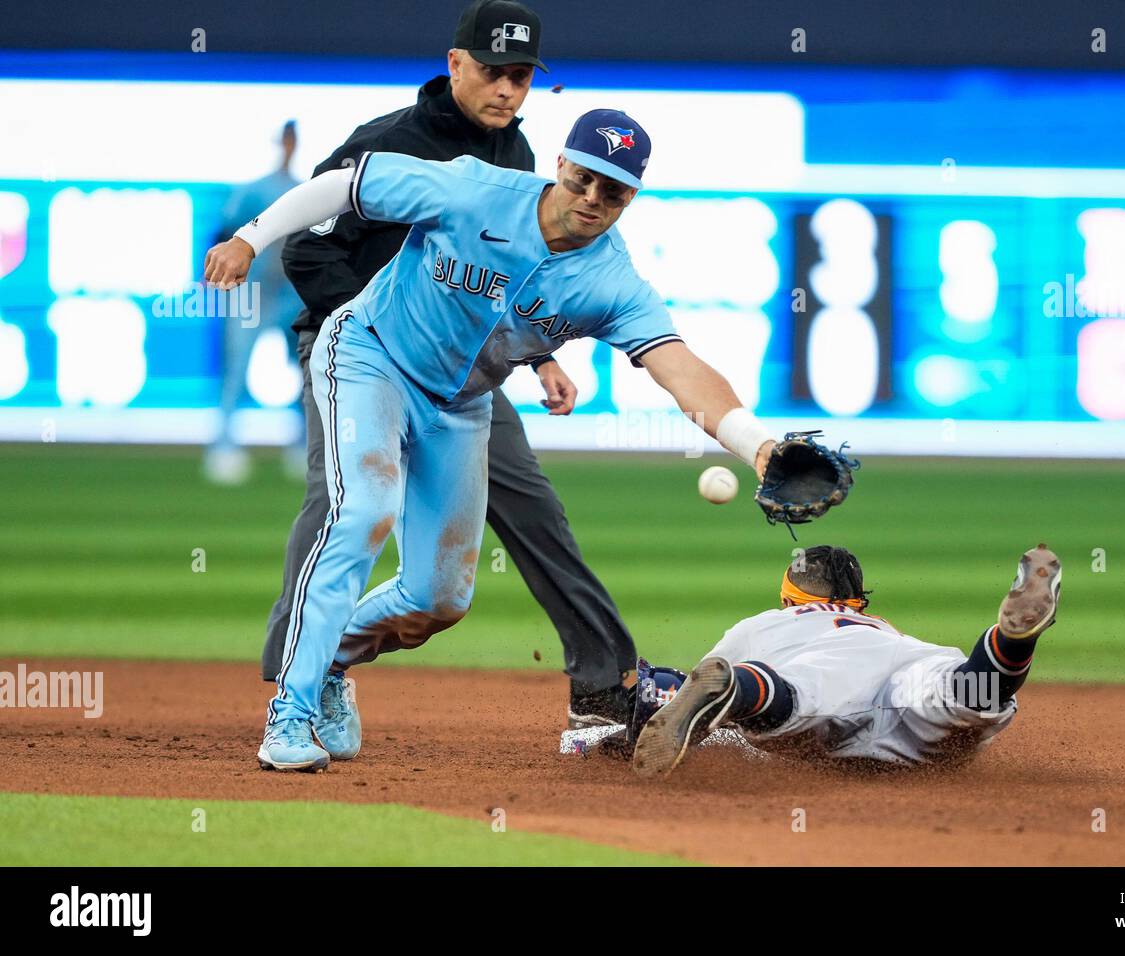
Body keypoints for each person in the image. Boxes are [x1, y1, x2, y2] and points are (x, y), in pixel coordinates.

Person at [204, 107, 783, 772]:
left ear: (632, 197)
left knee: (438, 599)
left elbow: (679, 367)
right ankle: (292, 712)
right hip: (371, 356)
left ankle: (329, 660)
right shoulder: (475, 190)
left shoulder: (612, 282)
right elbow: (346, 185)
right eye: (585, 178)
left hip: (462, 403)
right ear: (562, 164)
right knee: (364, 508)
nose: (593, 198)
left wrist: (759, 448)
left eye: (614, 190)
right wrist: (252, 237)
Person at [264, 0, 641, 730]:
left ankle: (605, 681)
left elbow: (519, 278)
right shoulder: (387, 142)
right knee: (342, 504)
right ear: (455, 65)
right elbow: (306, 245)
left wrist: (543, 361)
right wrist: (374, 334)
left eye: (522, 76)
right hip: (357, 351)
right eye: (495, 72)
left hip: (464, 373)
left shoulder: (522, 159)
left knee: (533, 506)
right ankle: (293, 679)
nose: (508, 89)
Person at [630, 544, 1063, 776]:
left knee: (792, 697)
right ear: (857, 600)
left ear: (788, 596)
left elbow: (690, 706)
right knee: (964, 692)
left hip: (831, 679)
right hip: (905, 665)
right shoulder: (877, 624)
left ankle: (741, 686)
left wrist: (605, 737)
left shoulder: (765, 623)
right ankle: (1011, 641)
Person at [203, 120, 303, 485]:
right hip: (250, 291)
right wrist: (213, 277)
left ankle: (303, 446)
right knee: (236, 371)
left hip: (291, 293)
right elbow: (224, 233)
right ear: (281, 143)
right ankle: (223, 446)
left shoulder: (301, 190)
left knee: (306, 371)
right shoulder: (255, 190)